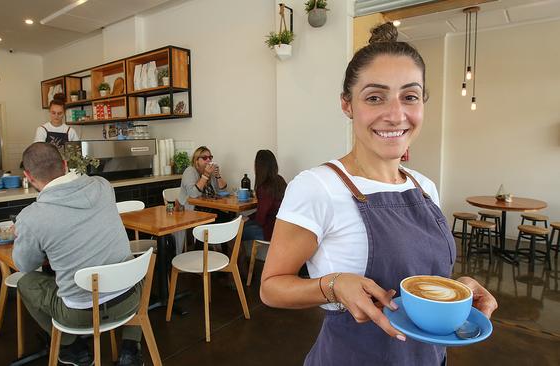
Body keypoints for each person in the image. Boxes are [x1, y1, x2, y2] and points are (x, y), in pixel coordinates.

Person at [260, 23, 498, 365]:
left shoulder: (424, 186)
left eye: (410, 96)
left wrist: (458, 292)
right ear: (347, 105)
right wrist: (333, 284)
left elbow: (421, 278)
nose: (396, 114)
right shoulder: (318, 186)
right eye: (375, 97)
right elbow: (271, 288)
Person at [13, 142, 143, 366]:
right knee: (136, 268)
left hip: (79, 315)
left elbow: (25, 265)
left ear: (28, 176)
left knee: (27, 283)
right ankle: (131, 349)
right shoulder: (103, 186)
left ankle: (72, 347)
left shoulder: (31, 217)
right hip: (129, 301)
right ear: (64, 165)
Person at [242, 150, 287, 242]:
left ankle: (236, 256)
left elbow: (260, 219)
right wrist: (249, 217)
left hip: (269, 231)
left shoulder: (264, 187)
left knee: (233, 232)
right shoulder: (280, 180)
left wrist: (248, 219)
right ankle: (240, 255)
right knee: (241, 225)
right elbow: (266, 211)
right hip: (282, 227)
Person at [178, 146, 228, 211]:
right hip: (193, 210)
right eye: (204, 158)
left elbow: (223, 192)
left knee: (230, 216)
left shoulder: (210, 171)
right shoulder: (190, 171)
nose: (208, 160)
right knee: (229, 218)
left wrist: (217, 175)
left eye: (210, 157)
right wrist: (206, 175)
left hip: (211, 207)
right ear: (196, 160)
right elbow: (193, 194)